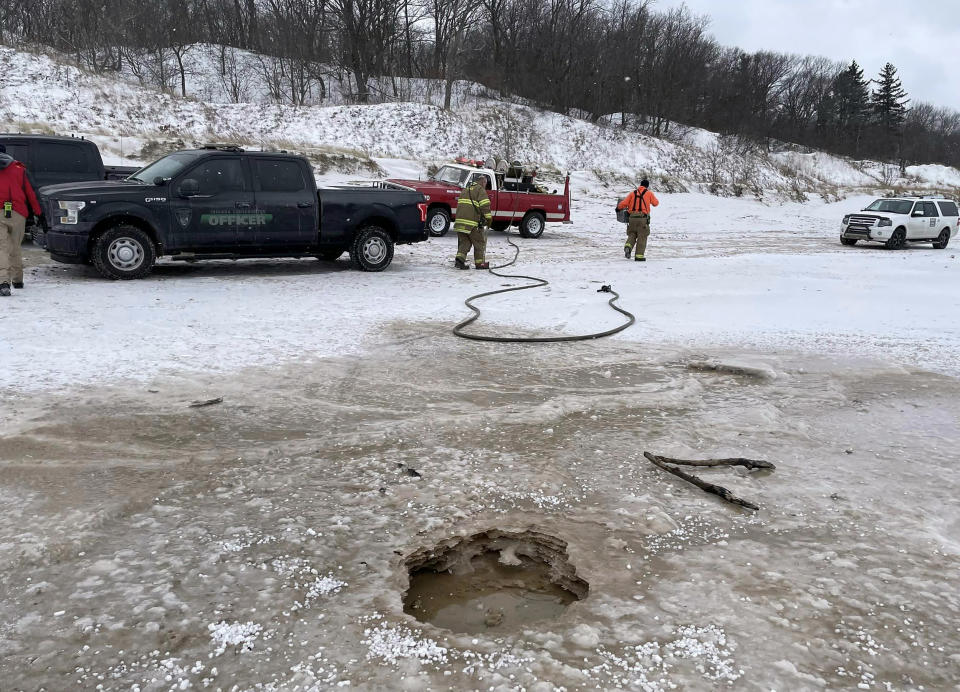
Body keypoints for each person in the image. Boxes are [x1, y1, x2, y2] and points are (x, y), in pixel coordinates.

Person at [0, 146, 42, 296]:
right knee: (15, 246)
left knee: (1, 248)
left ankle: (3, 282)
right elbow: (31, 192)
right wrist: (38, 212)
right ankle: (18, 280)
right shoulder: (19, 168)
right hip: (18, 212)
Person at [454, 176, 493, 270]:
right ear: (483, 182)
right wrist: (488, 219)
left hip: (459, 222)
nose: (485, 186)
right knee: (479, 242)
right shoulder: (480, 190)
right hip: (472, 223)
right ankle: (480, 264)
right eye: (485, 184)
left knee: (465, 242)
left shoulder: (465, 190)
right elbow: (484, 206)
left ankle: (459, 260)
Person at [616, 178, 659, 262]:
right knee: (642, 236)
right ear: (647, 186)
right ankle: (639, 256)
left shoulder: (632, 193)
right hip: (642, 218)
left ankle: (628, 246)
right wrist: (649, 198)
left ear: (640, 185)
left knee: (632, 234)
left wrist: (618, 208)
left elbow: (624, 203)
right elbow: (655, 203)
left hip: (631, 218)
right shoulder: (649, 193)